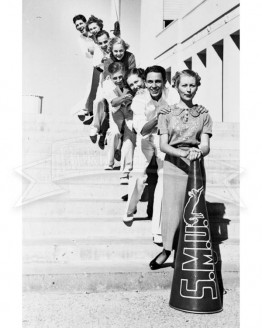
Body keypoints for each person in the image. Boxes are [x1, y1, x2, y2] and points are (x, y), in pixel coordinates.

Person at [149, 69, 213, 270]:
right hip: (174, 164)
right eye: (184, 85)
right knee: (172, 210)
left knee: (192, 210)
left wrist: (198, 152)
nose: (188, 89)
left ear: (197, 86)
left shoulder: (203, 114)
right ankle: (167, 250)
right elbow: (163, 145)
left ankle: (185, 254)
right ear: (176, 86)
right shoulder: (167, 113)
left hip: (195, 166)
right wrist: (182, 154)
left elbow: (205, 145)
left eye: (192, 85)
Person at [123, 65, 178, 245]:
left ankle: (158, 230)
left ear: (164, 82)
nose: (154, 85)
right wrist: (158, 116)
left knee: (163, 178)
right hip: (145, 140)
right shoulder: (139, 100)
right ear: (145, 82)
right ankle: (130, 210)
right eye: (150, 81)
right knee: (139, 177)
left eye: (158, 81)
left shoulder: (173, 96)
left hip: (164, 139)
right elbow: (143, 129)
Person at [103, 62, 136, 184]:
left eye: (120, 77)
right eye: (115, 78)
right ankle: (109, 162)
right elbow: (113, 102)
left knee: (129, 138)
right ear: (110, 77)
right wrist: (126, 97)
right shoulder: (107, 84)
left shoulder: (130, 80)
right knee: (114, 132)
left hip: (129, 111)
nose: (118, 80)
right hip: (116, 112)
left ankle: (126, 171)